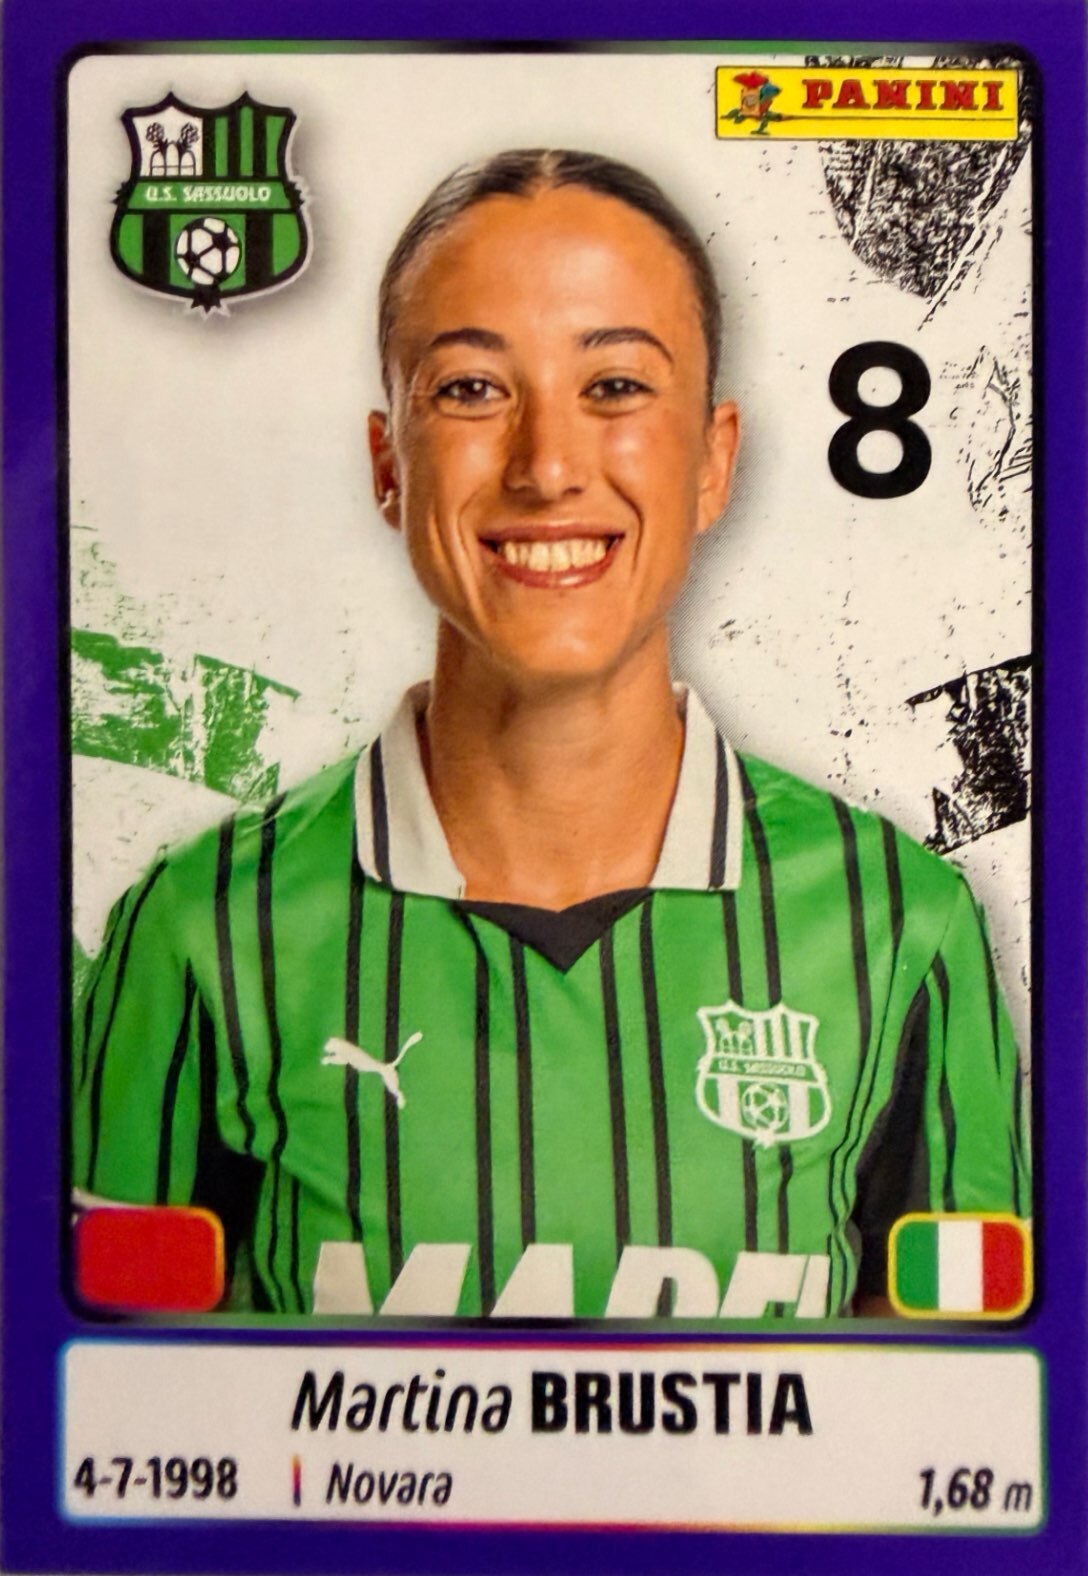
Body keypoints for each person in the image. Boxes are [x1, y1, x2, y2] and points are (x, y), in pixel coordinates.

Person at [73, 149, 1029, 1320]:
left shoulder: (901, 923)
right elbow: (110, 1400)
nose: (546, 467)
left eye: (615, 385)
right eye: (471, 389)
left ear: (713, 460)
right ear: (387, 462)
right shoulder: (198, 928)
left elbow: (965, 1403)